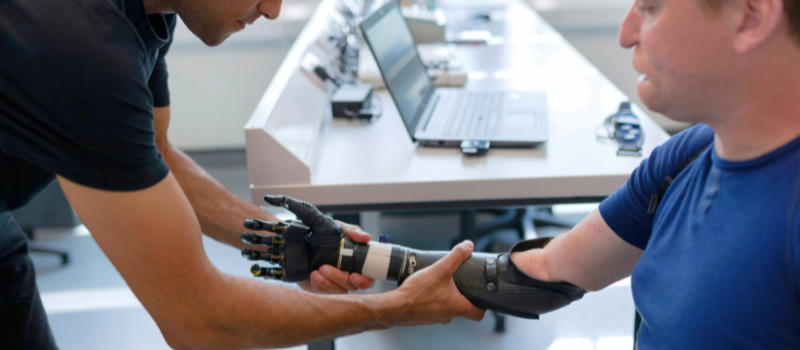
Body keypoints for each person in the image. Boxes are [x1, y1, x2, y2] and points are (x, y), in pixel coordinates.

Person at [0, 0, 484, 348]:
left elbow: (158, 152)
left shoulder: (151, 12)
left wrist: (287, 240)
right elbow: (199, 321)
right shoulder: (83, 45)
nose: (273, 9)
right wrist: (397, 308)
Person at [510, 0, 800, 347]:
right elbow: (547, 268)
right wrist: (429, 277)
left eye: (649, 9)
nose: (626, 35)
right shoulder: (690, 153)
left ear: (750, 18)